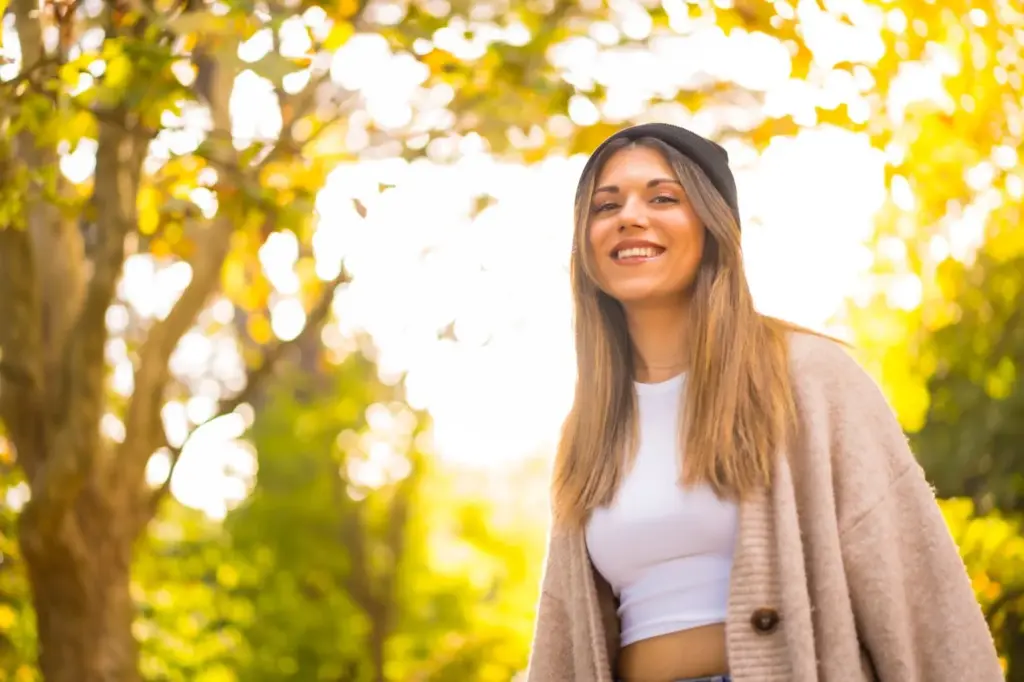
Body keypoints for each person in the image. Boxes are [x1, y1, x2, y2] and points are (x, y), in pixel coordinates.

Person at [524, 122, 1003, 682]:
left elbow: (916, 587)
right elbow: (561, 633)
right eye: (606, 206)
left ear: (713, 224)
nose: (629, 216)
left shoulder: (809, 377)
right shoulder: (587, 426)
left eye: (663, 198)